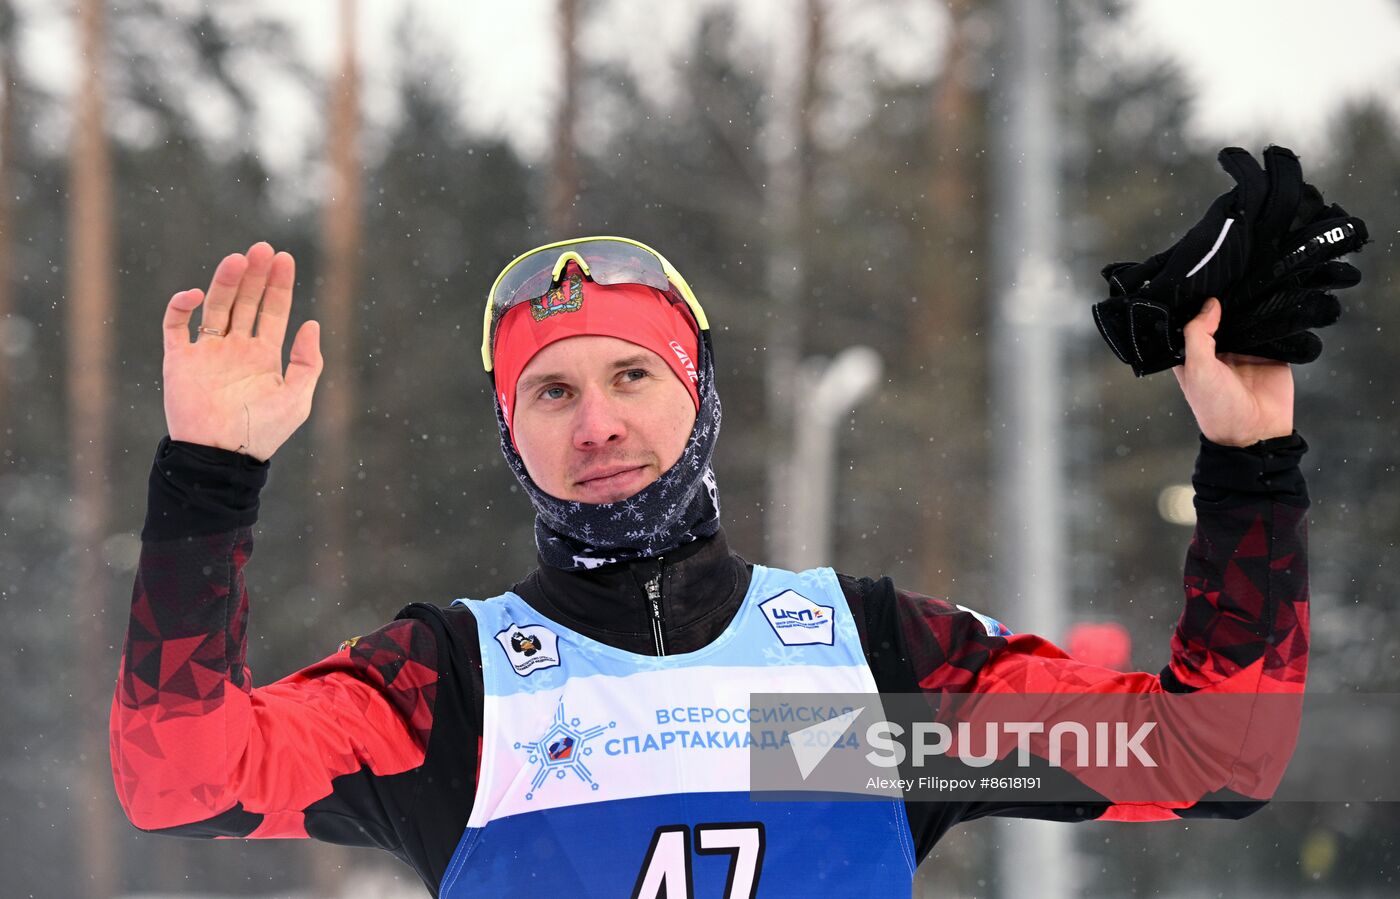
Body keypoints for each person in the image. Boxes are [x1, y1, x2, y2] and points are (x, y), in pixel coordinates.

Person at [110, 236, 1309, 897]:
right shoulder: (455, 688)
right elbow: (181, 780)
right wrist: (210, 475)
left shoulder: (864, 674)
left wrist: (1248, 456)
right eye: (551, 390)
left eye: (632, 375)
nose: (596, 424)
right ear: (507, 429)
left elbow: (1217, 753)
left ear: (699, 395)